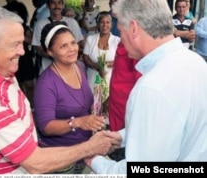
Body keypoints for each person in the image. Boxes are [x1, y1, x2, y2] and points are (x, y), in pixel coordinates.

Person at [0, 5, 118, 174]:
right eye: (15, 44)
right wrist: (91, 147)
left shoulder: (2, 72)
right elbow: (35, 162)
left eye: (21, 43)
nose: (22, 51)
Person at [85, 0, 207, 174]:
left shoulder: (151, 87)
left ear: (133, 28)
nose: (120, 39)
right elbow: (173, 125)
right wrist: (124, 136)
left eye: (120, 30)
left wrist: (95, 161)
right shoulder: (196, 62)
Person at [33, 21, 106, 174]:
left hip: (85, 151)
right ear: (50, 52)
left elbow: (82, 101)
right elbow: (46, 127)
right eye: (63, 46)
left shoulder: (79, 66)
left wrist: (95, 107)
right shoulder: (46, 83)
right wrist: (78, 122)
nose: (72, 49)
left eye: (73, 43)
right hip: (62, 160)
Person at [107, 42, 140, 161]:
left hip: (125, 107)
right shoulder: (124, 42)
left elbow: (140, 78)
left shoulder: (135, 45)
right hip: (116, 103)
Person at [32, 0, 84, 76]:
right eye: (53, 3)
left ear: (63, 5)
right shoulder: (40, 24)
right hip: (48, 70)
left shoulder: (72, 23)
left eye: (59, 3)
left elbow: (77, 44)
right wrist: (60, 58)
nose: (56, 6)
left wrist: (64, 58)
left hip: (70, 70)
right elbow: (39, 49)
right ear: (48, 5)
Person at [83, 11, 120, 104]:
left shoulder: (117, 40)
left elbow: (121, 60)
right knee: (92, 105)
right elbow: (85, 57)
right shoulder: (90, 39)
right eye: (102, 22)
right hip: (93, 77)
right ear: (98, 24)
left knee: (107, 107)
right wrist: (96, 66)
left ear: (111, 25)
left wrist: (105, 65)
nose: (105, 25)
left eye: (107, 22)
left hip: (110, 78)